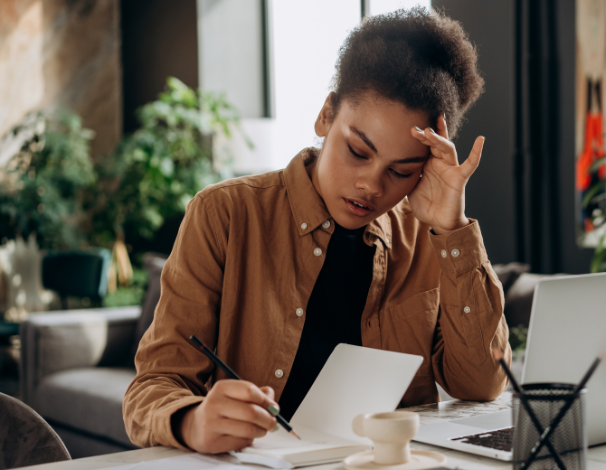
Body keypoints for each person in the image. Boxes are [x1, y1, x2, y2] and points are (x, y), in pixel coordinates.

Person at [123, 7, 510, 454]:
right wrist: (191, 421)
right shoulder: (225, 214)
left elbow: (481, 384)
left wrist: (453, 230)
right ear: (326, 115)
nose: (372, 185)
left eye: (401, 171)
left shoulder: (427, 237)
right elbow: (153, 385)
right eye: (358, 151)